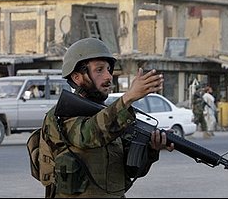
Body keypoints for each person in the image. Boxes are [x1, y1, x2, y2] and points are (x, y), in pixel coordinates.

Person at [40, 38, 174, 198]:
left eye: (109, 70)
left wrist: (151, 149)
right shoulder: (62, 114)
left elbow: (131, 169)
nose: (108, 76)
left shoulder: (110, 115)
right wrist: (128, 97)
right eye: (99, 70)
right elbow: (88, 135)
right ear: (77, 77)